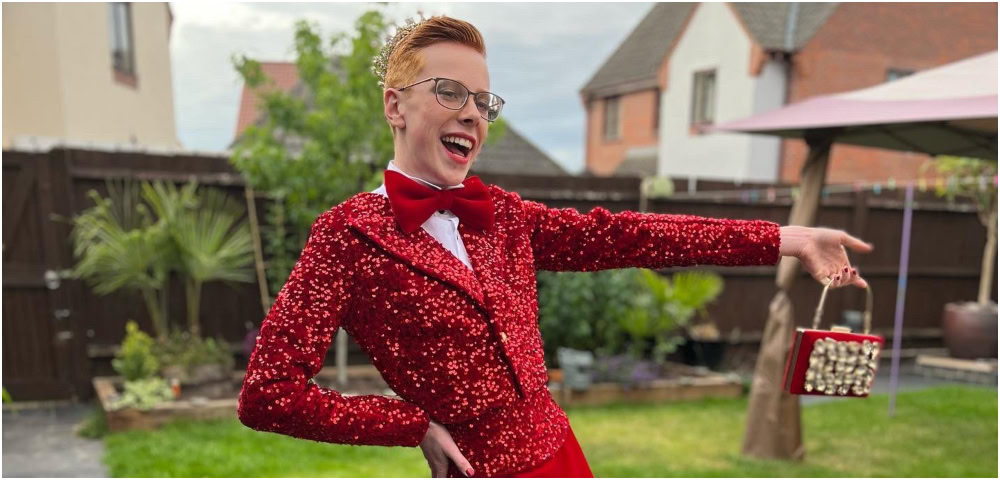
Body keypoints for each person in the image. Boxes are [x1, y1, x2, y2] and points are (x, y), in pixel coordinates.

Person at [237, 15, 872, 478]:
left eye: (482, 101)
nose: (472, 114)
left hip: (563, 456)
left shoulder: (503, 216)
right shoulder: (347, 237)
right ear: (394, 105)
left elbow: (630, 235)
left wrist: (787, 238)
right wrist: (413, 425)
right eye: (449, 92)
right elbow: (268, 393)